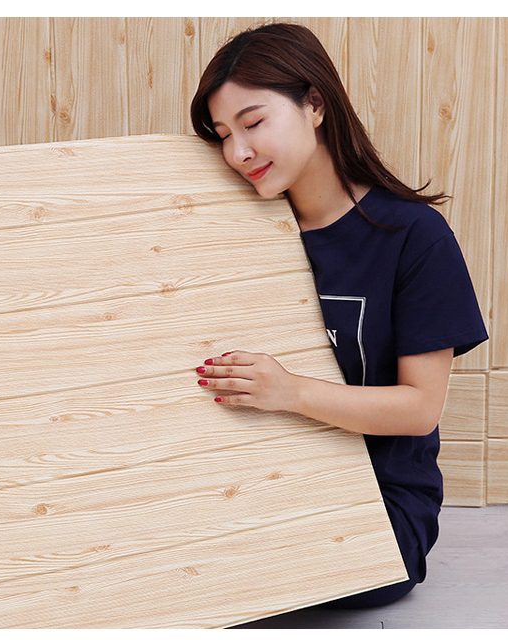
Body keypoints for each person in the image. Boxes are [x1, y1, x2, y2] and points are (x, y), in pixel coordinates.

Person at [189, 22, 488, 617]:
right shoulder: (231, 233)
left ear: (316, 104)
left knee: (237, 575)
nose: (238, 152)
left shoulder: (414, 236)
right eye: (223, 135)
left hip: (380, 501)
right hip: (258, 482)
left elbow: (420, 409)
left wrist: (290, 391)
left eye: (253, 123)